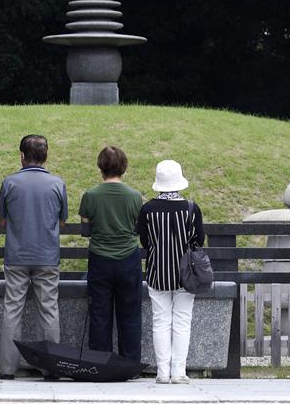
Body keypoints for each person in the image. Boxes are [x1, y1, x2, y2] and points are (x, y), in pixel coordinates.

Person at [0, 134, 68, 380]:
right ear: (46, 156)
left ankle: (7, 368)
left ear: (21, 155)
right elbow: (61, 220)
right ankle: (50, 368)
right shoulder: (58, 184)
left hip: (16, 255)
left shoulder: (9, 183)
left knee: (12, 308)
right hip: (47, 256)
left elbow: (3, 220)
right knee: (48, 309)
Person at [136, 159, 205, 384]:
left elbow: (145, 242)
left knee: (160, 321)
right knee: (183, 320)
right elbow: (199, 240)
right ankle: (179, 372)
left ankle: (162, 372)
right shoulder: (192, 209)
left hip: (158, 272)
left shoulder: (147, 210)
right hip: (187, 275)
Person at [79, 145, 144, 364]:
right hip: (129, 258)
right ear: (124, 167)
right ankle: (130, 363)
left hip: (100, 259)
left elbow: (85, 231)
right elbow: (137, 229)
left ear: (101, 167)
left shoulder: (90, 196)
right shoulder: (135, 197)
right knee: (130, 314)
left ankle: (99, 362)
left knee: (99, 314)